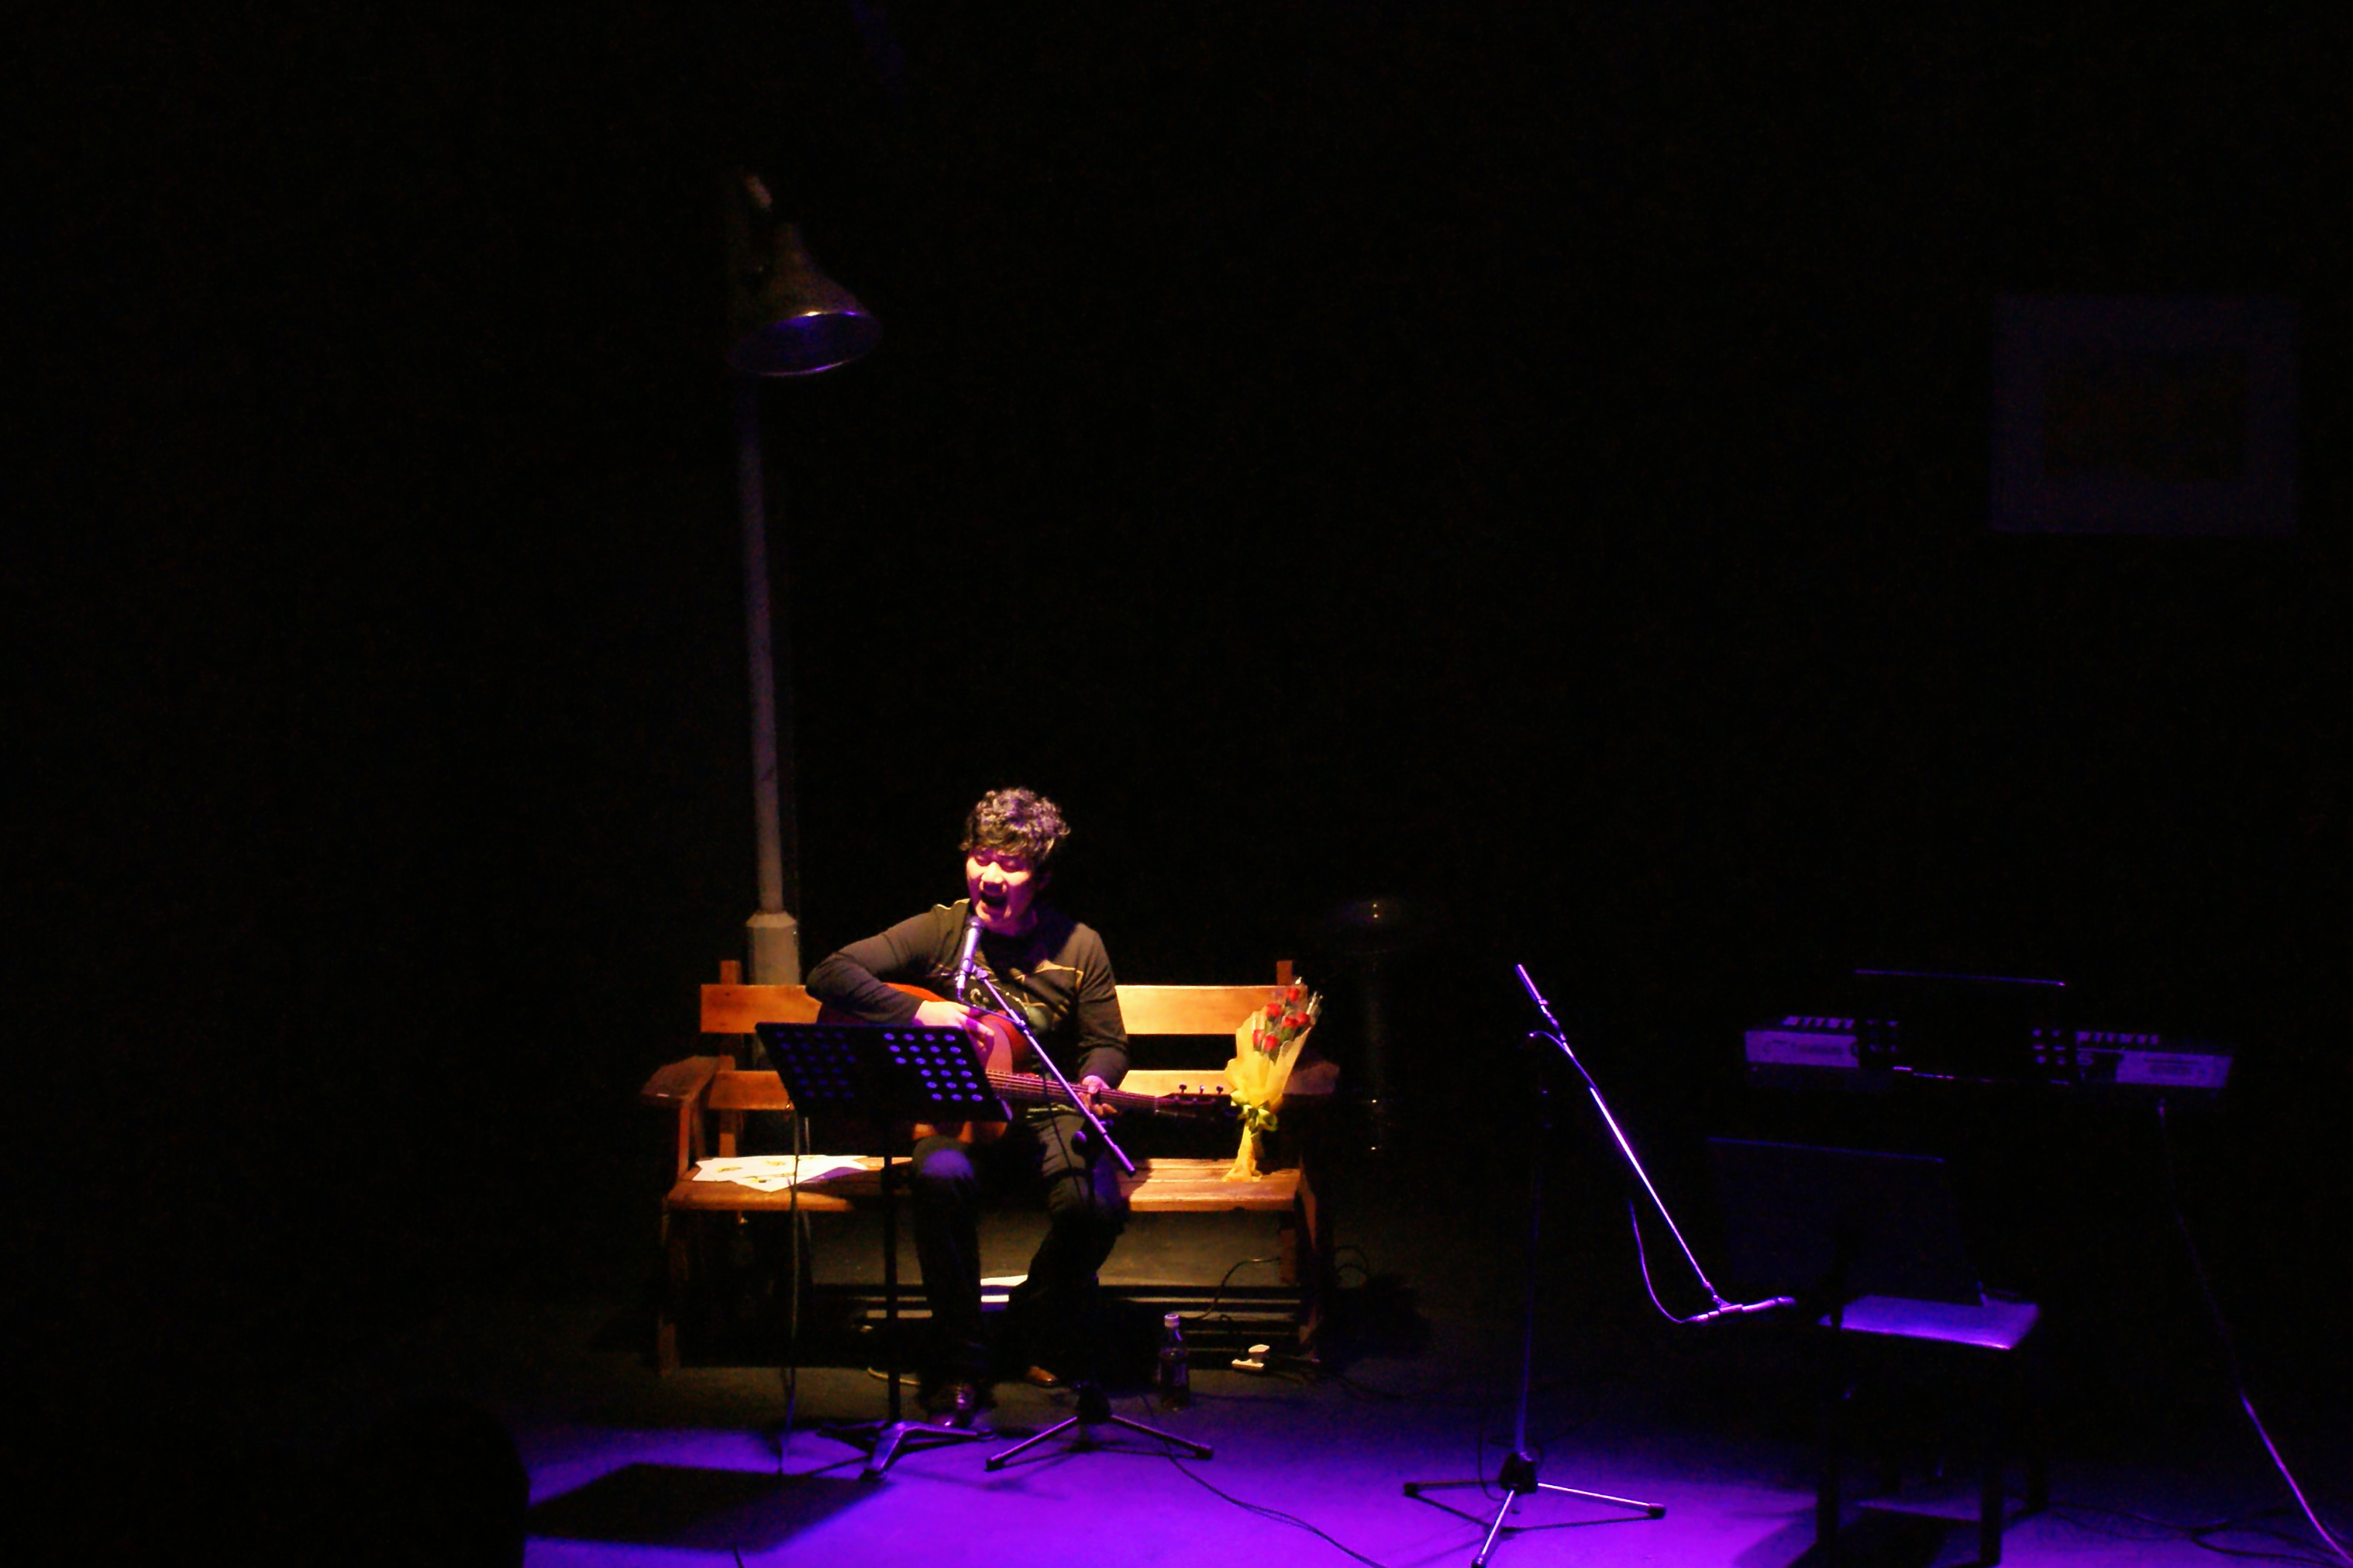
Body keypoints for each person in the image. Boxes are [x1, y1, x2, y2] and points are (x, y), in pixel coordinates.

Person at [805, 787, 1128, 1424]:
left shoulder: (1079, 945)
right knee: (938, 1175)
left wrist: (1094, 1080)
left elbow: (1107, 1043)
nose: (991, 875)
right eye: (981, 857)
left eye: (1011, 864)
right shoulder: (942, 929)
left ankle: (1026, 1325)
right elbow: (829, 974)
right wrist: (919, 1011)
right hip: (958, 1113)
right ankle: (961, 1360)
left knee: (1093, 1207)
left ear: (1041, 877)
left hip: (1045, 1112)